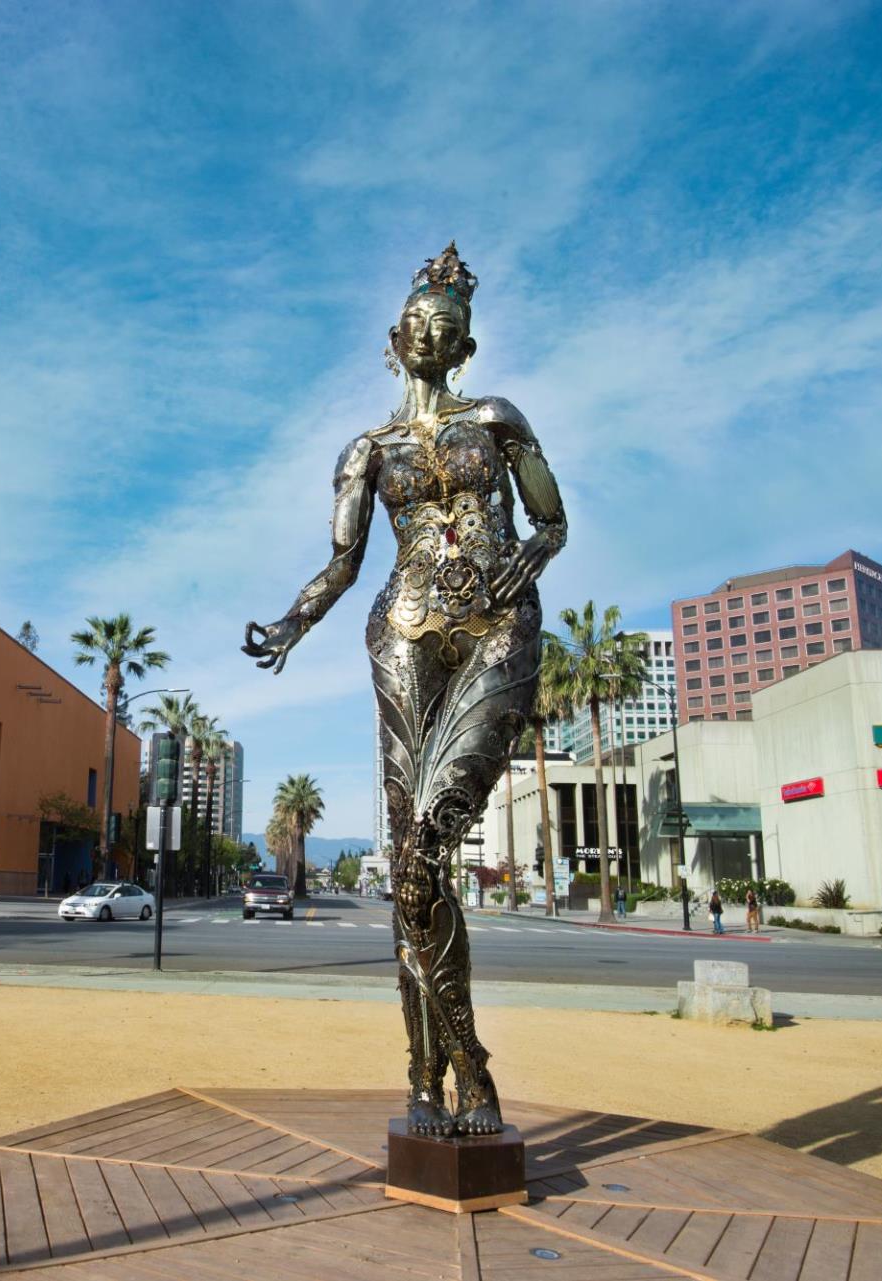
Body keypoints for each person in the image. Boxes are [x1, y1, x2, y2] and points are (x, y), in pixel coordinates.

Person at [242, 243, 567, 1140]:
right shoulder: (368, 449)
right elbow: (344, 562)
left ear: (465, 345)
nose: (433, 333)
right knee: (415, 877)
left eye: (449, 327)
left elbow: (553, 519)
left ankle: (462, 1068)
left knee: (425, 843)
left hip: (499, 634)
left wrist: (529, 563)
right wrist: (288, 626)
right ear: (396, 338)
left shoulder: (498, 419)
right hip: (401, 638)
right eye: (418, 323)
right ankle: (435, 1075)